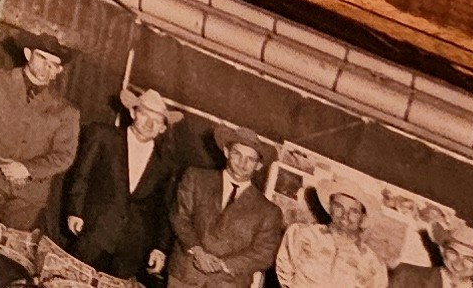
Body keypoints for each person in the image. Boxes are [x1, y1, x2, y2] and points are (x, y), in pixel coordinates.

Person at [60, 84, 192, 280]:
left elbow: (164, 210)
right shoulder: (103, 136)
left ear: (163, 128)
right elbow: (81, 177)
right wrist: (75, 211)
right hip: (93, 233)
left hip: (132, 249)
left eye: (157, 121)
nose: (149, 124)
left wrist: (159, 248)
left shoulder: (166, 163)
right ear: (132, 112)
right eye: (146, 115)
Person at [0, 40, 81, 235]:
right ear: (28, 54)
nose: (46, 66)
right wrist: (5, 163)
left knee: (7, 255)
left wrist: (27, 169)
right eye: (42, 58)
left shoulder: (67, 112)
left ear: (58, 70)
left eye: (53, 64)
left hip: (29, 195)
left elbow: (64, 155)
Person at [166, 136, 285, 288]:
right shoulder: (196, 178)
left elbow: (264, 253)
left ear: (258, 165)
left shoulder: (269, 211)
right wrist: (198, 251)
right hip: (185, 276)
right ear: (226, 152)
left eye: (250, 159)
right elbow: (180, 217)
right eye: (237, 154)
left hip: (229, 283)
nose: (243, 163)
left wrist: (224, 265)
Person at [282, 192, 394, 288]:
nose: (345, 215)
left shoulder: (373, 263)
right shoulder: (303, 234)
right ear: (330, 207)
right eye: (339, 207)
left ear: (363, 218)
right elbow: (283, 273)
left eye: (354, 211)